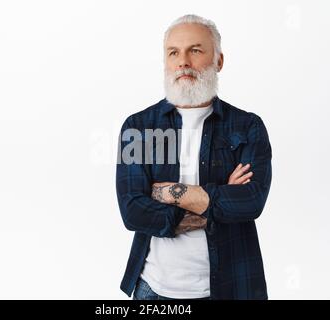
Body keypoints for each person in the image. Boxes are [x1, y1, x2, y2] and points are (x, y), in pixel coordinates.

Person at [116, 14, 272, 300]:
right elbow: (132, 210)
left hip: (232, 287)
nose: (183, 61)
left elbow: (251, 200)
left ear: (219, 61)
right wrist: (220, 200)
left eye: (195, 50)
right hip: (153, 290)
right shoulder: (137, 128)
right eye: (173, 52)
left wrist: (161, 191)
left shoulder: (248, 126)